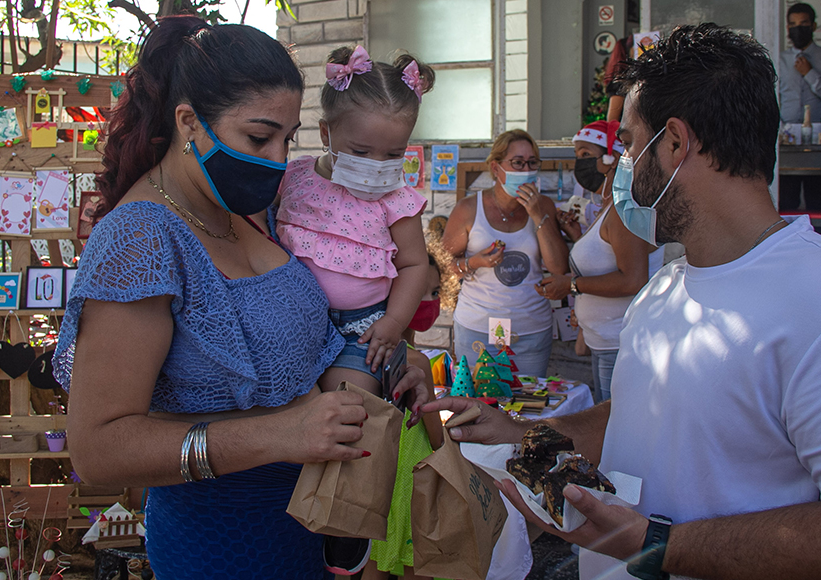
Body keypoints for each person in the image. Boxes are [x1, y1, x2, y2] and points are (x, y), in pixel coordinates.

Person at [426, 24, 821, 580]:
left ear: (676, 143)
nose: (622, 166)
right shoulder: (666, 289)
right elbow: (643, 415)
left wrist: (657, 546)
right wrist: (523, 437)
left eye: (631, 143)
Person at [53, 17, 427, 579]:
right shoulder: (140, 239)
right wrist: (278, 434)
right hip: (228, 544)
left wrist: (398, 356)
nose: (278, 159)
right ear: (189, 123)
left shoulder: (246, 209)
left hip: (319, 526)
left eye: (287, 137)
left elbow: (324, 322)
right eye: (258, 137)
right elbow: (98, 450)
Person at [274, 45, 434, 576]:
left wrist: (393, 324)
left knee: (349, 419)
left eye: (394, 155)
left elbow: (413, 267)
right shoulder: (294, 178)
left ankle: (346, 523)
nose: (378, 167)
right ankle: (296, 517)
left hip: (361, 334)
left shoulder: (398, 200)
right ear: (326, 135)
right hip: (296, 323)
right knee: (295, 424)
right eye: (362, 151)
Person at [539, 120, 663, 404]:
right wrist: (577, 236)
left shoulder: (624, 208)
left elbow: (633, 279)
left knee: (614, 426)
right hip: (604, 343)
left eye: (585, 155)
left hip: (620, 344)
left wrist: (570, 285)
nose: (578, 163)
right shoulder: (609, 206)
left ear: (612, 157)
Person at [442, 129, 569, 377]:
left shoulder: (543, 205)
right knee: (478, 406)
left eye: (532, 163)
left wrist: (536, 215)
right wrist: (475, 262)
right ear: (496, 167)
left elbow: (558, 269)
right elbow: (443, 265)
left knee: (528, 407)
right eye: (517, 163)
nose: (526, 170)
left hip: (530, 329)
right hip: (477, 326)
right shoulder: (468, 208)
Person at [778, 2, 821, 212]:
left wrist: (810, 74)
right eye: (793, 25)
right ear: (788, 28)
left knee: (816, 203)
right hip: (786, 141)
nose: (798, 29)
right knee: (786, 203)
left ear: (813, 26)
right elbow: (772, 97)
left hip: (818, 141)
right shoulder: (778, 60)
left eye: (803, 24)